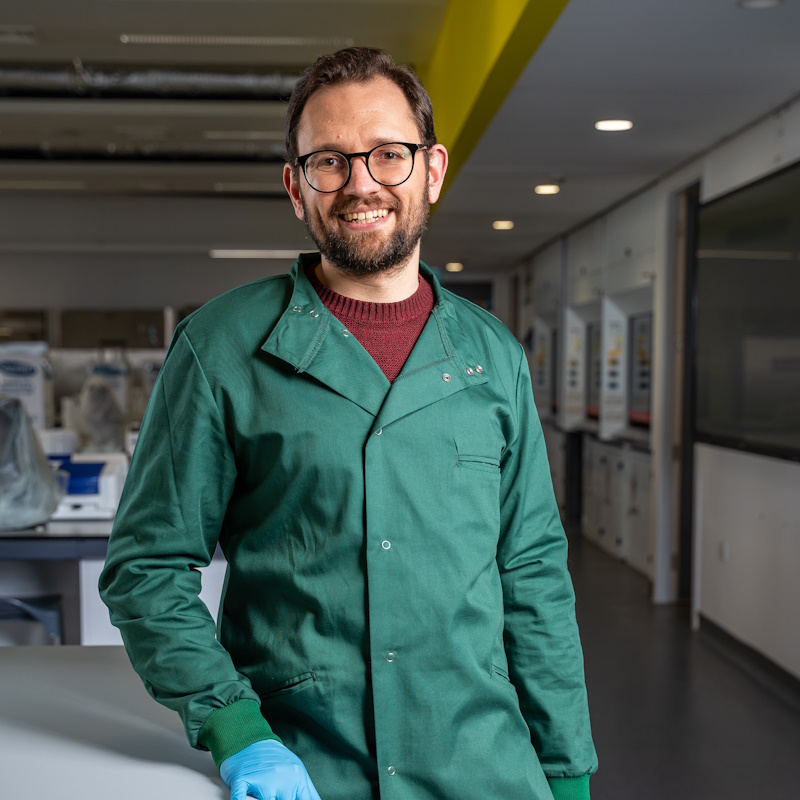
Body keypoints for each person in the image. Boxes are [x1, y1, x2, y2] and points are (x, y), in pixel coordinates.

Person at [99, 46, 597, 800]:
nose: (361, 184)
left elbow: (532, 573)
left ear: (431, 170)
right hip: (305, 768)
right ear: (296, 188)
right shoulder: (222, 347)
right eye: (329, 161)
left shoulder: (490, 355)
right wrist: (236, 732)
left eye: (387, 155)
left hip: (484, 765)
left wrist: (566, 773)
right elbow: (147, 568)